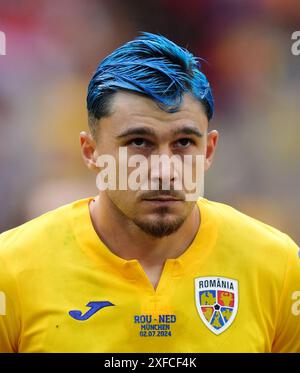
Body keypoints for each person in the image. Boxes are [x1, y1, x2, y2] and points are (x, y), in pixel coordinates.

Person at [0, 32, 299, 352]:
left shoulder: (278, 267)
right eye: (139, 143)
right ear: (90, 152)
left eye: (184, 142)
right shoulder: (12, 269)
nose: (163, 170)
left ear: (209, 150)